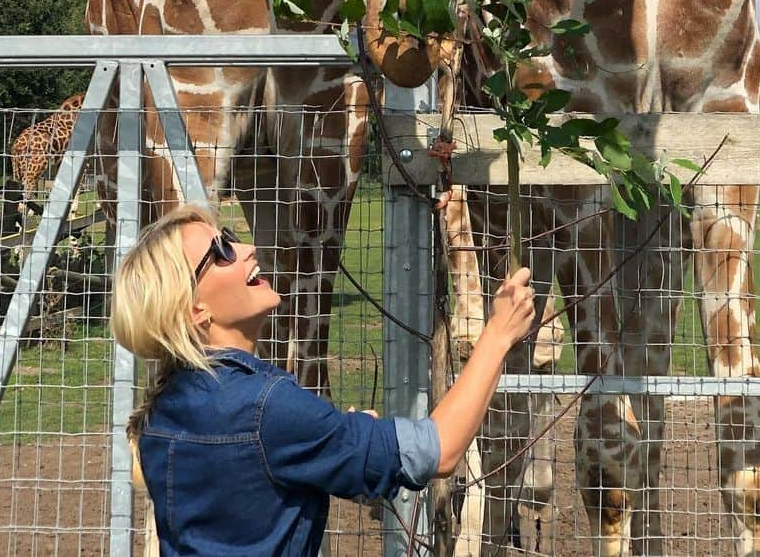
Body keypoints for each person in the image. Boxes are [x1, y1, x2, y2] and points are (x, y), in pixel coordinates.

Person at [110, 202, 536, 556]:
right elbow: (438, 450)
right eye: (221, 251)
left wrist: (336, 437)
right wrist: (497, 336)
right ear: (195, 310)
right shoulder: (270, 408)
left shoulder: (162, 413)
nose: (246, 248)